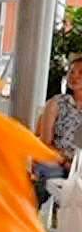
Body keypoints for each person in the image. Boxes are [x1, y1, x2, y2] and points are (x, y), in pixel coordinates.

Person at [33, 60, 82, 204]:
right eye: (71, 72)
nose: (74, 77)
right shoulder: (56, 103)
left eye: (80, 73)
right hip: (56, 161)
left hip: (79, 165)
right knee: (50, 174)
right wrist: (64, 162)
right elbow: (45, 143)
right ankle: (25, 218)